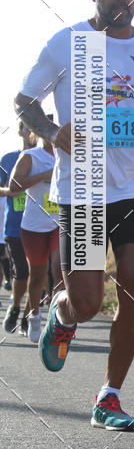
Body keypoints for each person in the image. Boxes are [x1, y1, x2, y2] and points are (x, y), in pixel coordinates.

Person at [15, 0, 134, 431]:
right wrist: (53, 133)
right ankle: (64, 312)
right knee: (90, 302)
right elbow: (24, 101)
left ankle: (108, 397)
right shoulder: (69, 42)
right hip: (85, 187)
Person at [9, 122, 62, 342]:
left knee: (60, 270)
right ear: (39, 135)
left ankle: (58, 319)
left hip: (61, 222)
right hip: (34, 225)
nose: (51, 138)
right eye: (46, 133)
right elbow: (13, 186)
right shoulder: (30, 156)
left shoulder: (69, 156)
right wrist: (42, 176)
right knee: (37, 274)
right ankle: (34, 315)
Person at [0, 122, 36, 333]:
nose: (31, 132)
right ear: (20, 131)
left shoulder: (49, 158)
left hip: (41, 225)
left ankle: (27, 317)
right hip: (15, 226)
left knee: (37, 272)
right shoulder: (8, 159)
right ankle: (15, 307)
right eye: (27, 128)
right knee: (21, 272)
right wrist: (8, 191)